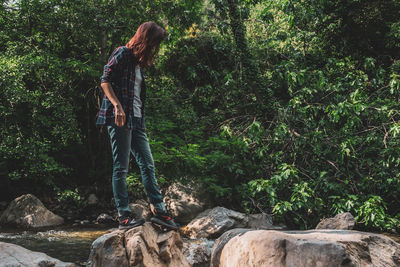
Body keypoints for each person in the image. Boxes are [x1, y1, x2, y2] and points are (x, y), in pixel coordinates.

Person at [96, 21, 179, 230]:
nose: (155, 48)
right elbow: (104, 80)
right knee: (121, 168)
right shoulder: (122, 53)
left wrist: (138, 118)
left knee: (147, 164)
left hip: (137, 120)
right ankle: (124, 216)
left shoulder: (139, 63)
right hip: (120, 119)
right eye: (154, 42)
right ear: (146, 39)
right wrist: (117, 106)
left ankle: (160, 211)